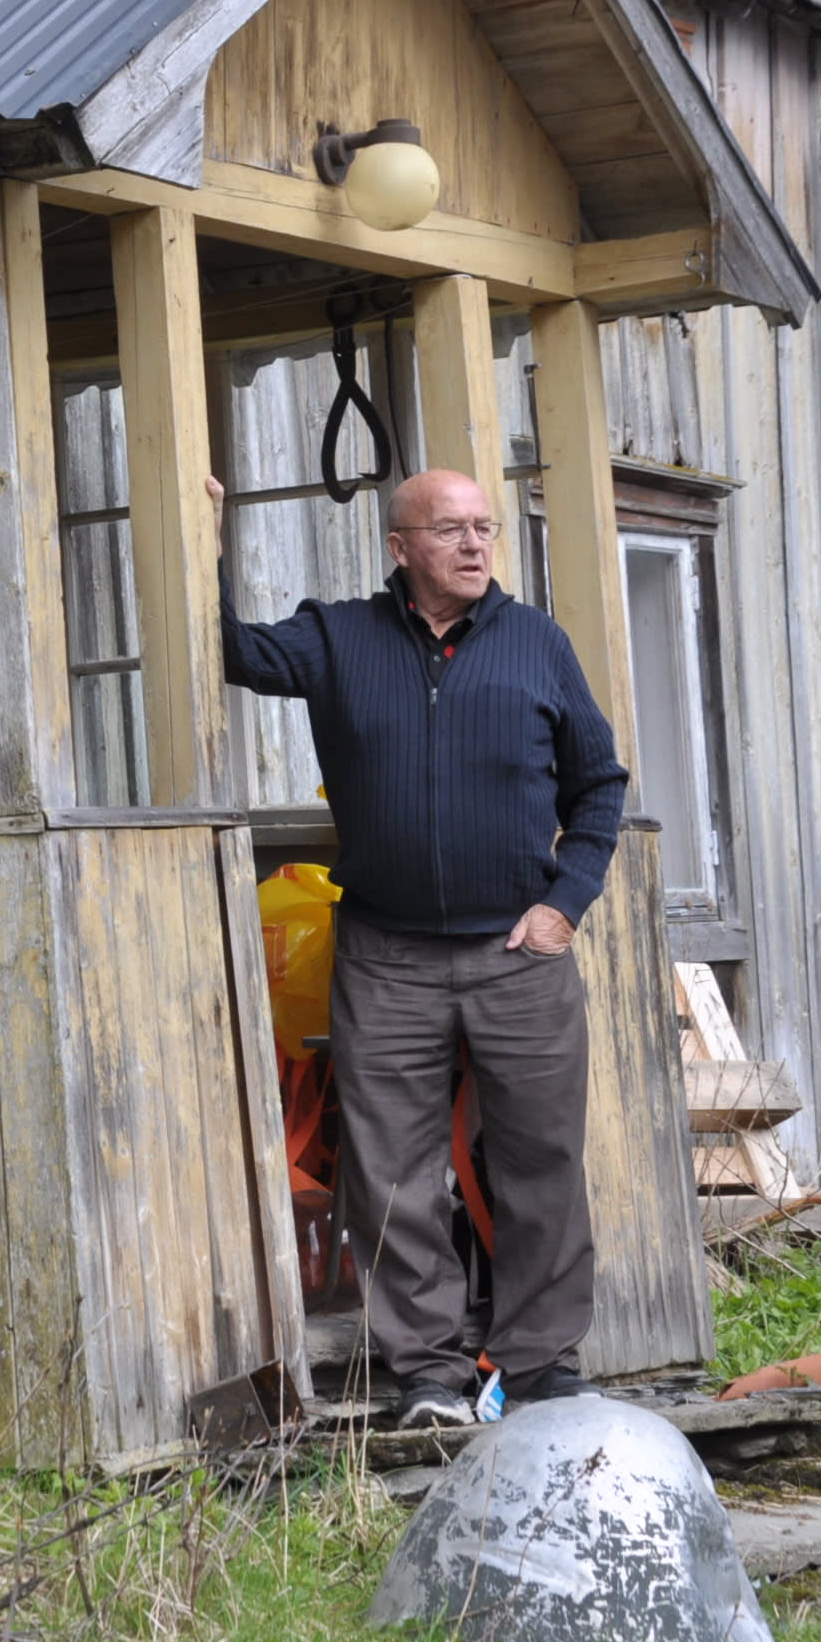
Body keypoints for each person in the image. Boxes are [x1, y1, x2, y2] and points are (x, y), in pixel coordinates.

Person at [209, 466, 629, 1428]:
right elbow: (232, 650)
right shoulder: (338, 637)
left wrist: (565, 904)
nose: (476, 545)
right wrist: (210, 536)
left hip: (520, 953)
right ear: (400, 548)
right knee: (391, 1174)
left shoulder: (536, 644)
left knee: (540, 1162)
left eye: (484, 527)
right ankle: (429, 1377)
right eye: (450, 530)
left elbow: (599, 785)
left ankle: (541, 1367)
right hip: (387, 957)